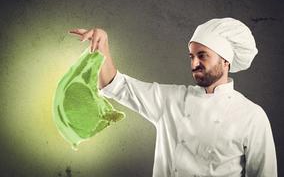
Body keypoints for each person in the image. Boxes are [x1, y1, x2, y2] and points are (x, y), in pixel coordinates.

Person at [69, 18, 277, 177]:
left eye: (202, 55)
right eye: (191, 56)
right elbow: (115, 85)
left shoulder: (252, 116)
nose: (194, 63)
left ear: (226, 62)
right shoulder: (170, 100)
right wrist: (102, 44)